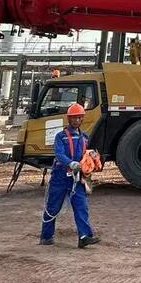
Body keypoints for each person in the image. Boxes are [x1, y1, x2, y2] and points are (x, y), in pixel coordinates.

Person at [40, 103, 99, 249]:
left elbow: (86, 154)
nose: (77, 120)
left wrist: (92, 156)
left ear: (82, 118)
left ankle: (84, 237)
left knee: (81, 206)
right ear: (69, 119)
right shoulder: (60, 137)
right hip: (60, 177)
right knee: (53, 207)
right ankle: (46, 237)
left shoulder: (84, 138)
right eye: (74, 118)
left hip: (77, 178)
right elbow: (59, 154)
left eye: (79, 118)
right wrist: (71, 163)